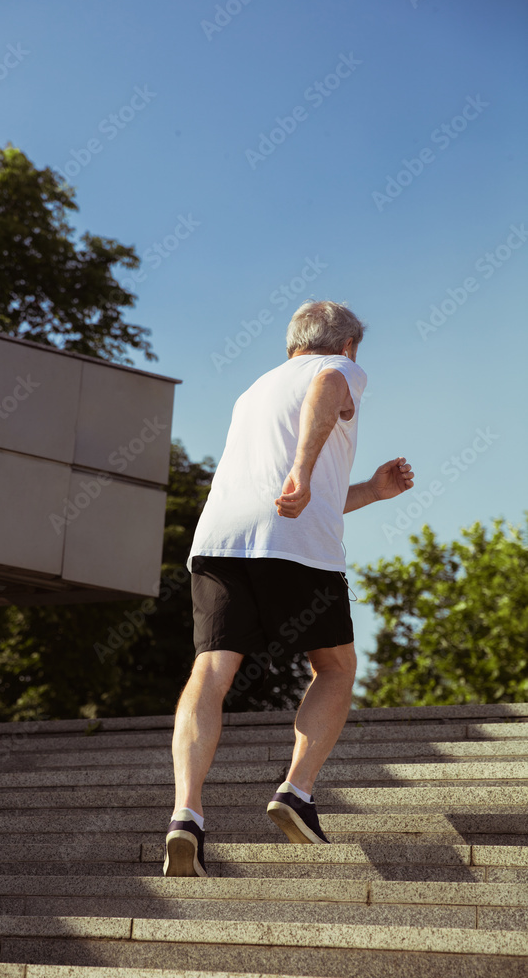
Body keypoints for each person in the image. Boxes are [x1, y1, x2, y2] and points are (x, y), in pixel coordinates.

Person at [163, 300, 415, 877]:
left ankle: (186, 815)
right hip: (296, 546)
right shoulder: (339, 367)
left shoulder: (254, 390)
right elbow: (327, 389)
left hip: (219, 542)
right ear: (348, 344)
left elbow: (292, 495)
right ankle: (297, 791)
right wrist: (303, 469)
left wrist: (370, 492)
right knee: (334, 667)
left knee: (211, 673)